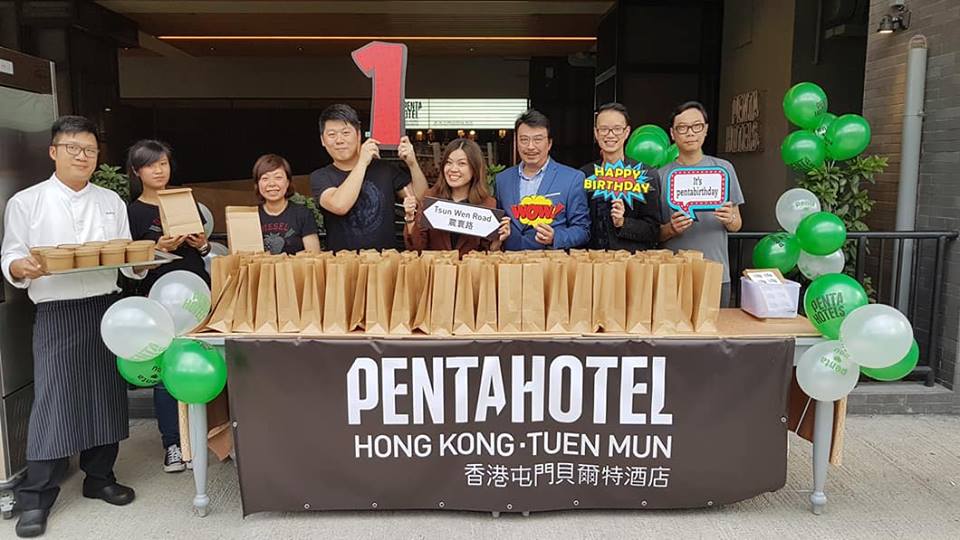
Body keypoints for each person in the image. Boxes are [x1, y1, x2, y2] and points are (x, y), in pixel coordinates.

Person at [1, 116, 145, 538]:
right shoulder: (26, 202)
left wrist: (139, 265)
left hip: (104, 305)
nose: (83, 157)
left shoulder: (110, 201)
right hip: (57, 310)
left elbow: (126, 258)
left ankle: (99, 477)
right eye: (73, 149)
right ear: (54, 152)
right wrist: (20, 266)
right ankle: (36, 496)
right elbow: (10, 254)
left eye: (90, 150)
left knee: (105, 392)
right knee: (54, 397)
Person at [125, 139, 210, 475]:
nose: (159, 170)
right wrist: (157, 248)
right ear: (137, 171)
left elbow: (204, 252)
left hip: (195, 293)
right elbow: (131, 266)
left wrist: (202, 246)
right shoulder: (133, 213)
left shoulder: (185, 201)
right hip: (159, 299)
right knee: (165, 373)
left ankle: (203, 438)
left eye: (163, 163)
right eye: (151, 165)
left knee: (201, 362)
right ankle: (172, 444)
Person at [658, 101, 744, 307]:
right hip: (674, 274)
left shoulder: (724, 169)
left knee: (716, 326)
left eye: (696, 126)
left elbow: (737, 224)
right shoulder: (660, 176)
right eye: (682, 128)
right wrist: (671, 229)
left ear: (705, 129)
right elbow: (654, 233)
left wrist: (729, 219)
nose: (690, 133)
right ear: (672, 133)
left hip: (716, 273)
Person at [310, 104, 428, 251]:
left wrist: (412, 163)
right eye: (332, 134)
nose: (339, 140)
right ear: (323, 140)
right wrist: (362, 162)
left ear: (359, 135)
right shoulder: (320, 177)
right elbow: (340, 205)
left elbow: (421, 200)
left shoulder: (385, 169)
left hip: (386, 261)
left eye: (346, 133)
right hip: (341, 262)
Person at [495, 110, 590, 251]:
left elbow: (583, 230)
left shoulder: (572, 179)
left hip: (550, 262)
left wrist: (555, 237)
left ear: (549, 143)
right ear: (516, 142)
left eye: (537, 140)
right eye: (524, 140)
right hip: (510, 261)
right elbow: (497, 222)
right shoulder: (502, 179)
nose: (530, 146)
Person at [402, 138, 510, 256]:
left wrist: (497, 242)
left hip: (470, 267)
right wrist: (410, 218)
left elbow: (488, 254)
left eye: (461, 163)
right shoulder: (431, 199)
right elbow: (416, 250)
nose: (453, 169)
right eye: (449, 162)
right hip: (437, 266)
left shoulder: (488, 204)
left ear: (474, 168)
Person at [579, 102, 662, 251]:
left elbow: (654, 230)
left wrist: (623, 222)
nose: (610, 134)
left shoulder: (646, 175)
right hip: (592, 260)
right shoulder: (584, 175)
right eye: (604, 129)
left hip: (631, 261)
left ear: (627, 132)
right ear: (596, 133)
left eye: (617, 129)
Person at [253, 153, 320, 255]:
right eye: (265, 178)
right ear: (257, 184)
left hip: (296, 266)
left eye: (278, 177)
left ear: (288, 182)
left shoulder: (303, 213)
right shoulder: (251, 216)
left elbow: (313, 253)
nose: (272, 184)